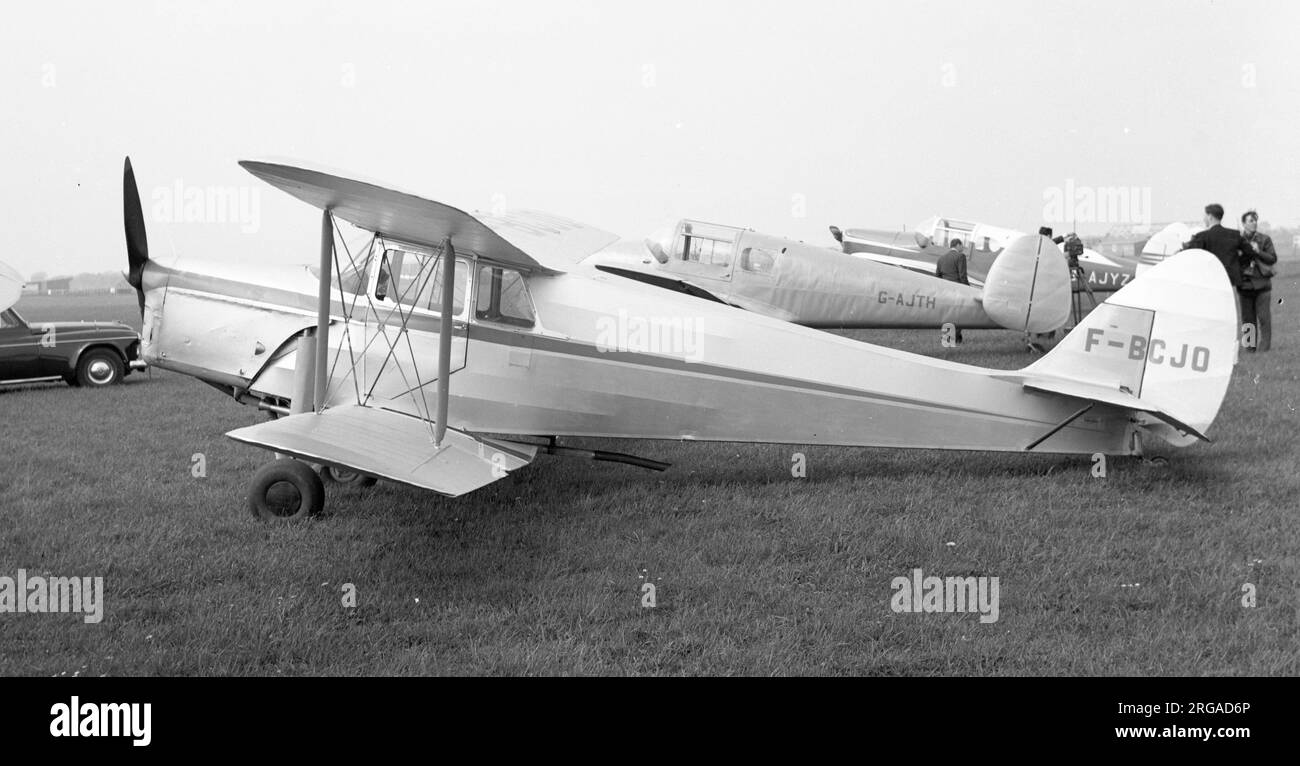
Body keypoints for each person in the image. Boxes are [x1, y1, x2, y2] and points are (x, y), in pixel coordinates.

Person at [1186, 203, 1254, 290]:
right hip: (1231, 280)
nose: (1204, 219)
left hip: (1210, 280)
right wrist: (1237, 264)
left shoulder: (1202, 237)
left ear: (1210, 217)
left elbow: (1190, 255)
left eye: (1205, 216)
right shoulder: (1234, 234)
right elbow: (1250, 253)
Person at [1238, 209, 1277, 352]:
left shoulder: (1264, 239)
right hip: (1245, 285)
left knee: (1264, 319)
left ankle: (1264, 349)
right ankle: (1250, 349)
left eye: (1255, 220)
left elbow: (1272, 258)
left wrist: (1258, 251)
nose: (1254, 223)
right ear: (1244, 224)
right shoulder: (1237, 241)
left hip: (1263, 285)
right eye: (1250, 221)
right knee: (1248, 320)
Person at [935, 238, 969, 344]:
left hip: (945, 291)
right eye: (962, 245)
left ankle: (949, 338)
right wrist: (968, 289)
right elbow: (962, 275)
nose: (963, 248)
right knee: (960, 316)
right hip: (958, 291)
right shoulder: (960, 256)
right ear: (958, 245)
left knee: (948, 316)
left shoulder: (941, 258)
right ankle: (955, 337)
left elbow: (937, 277)